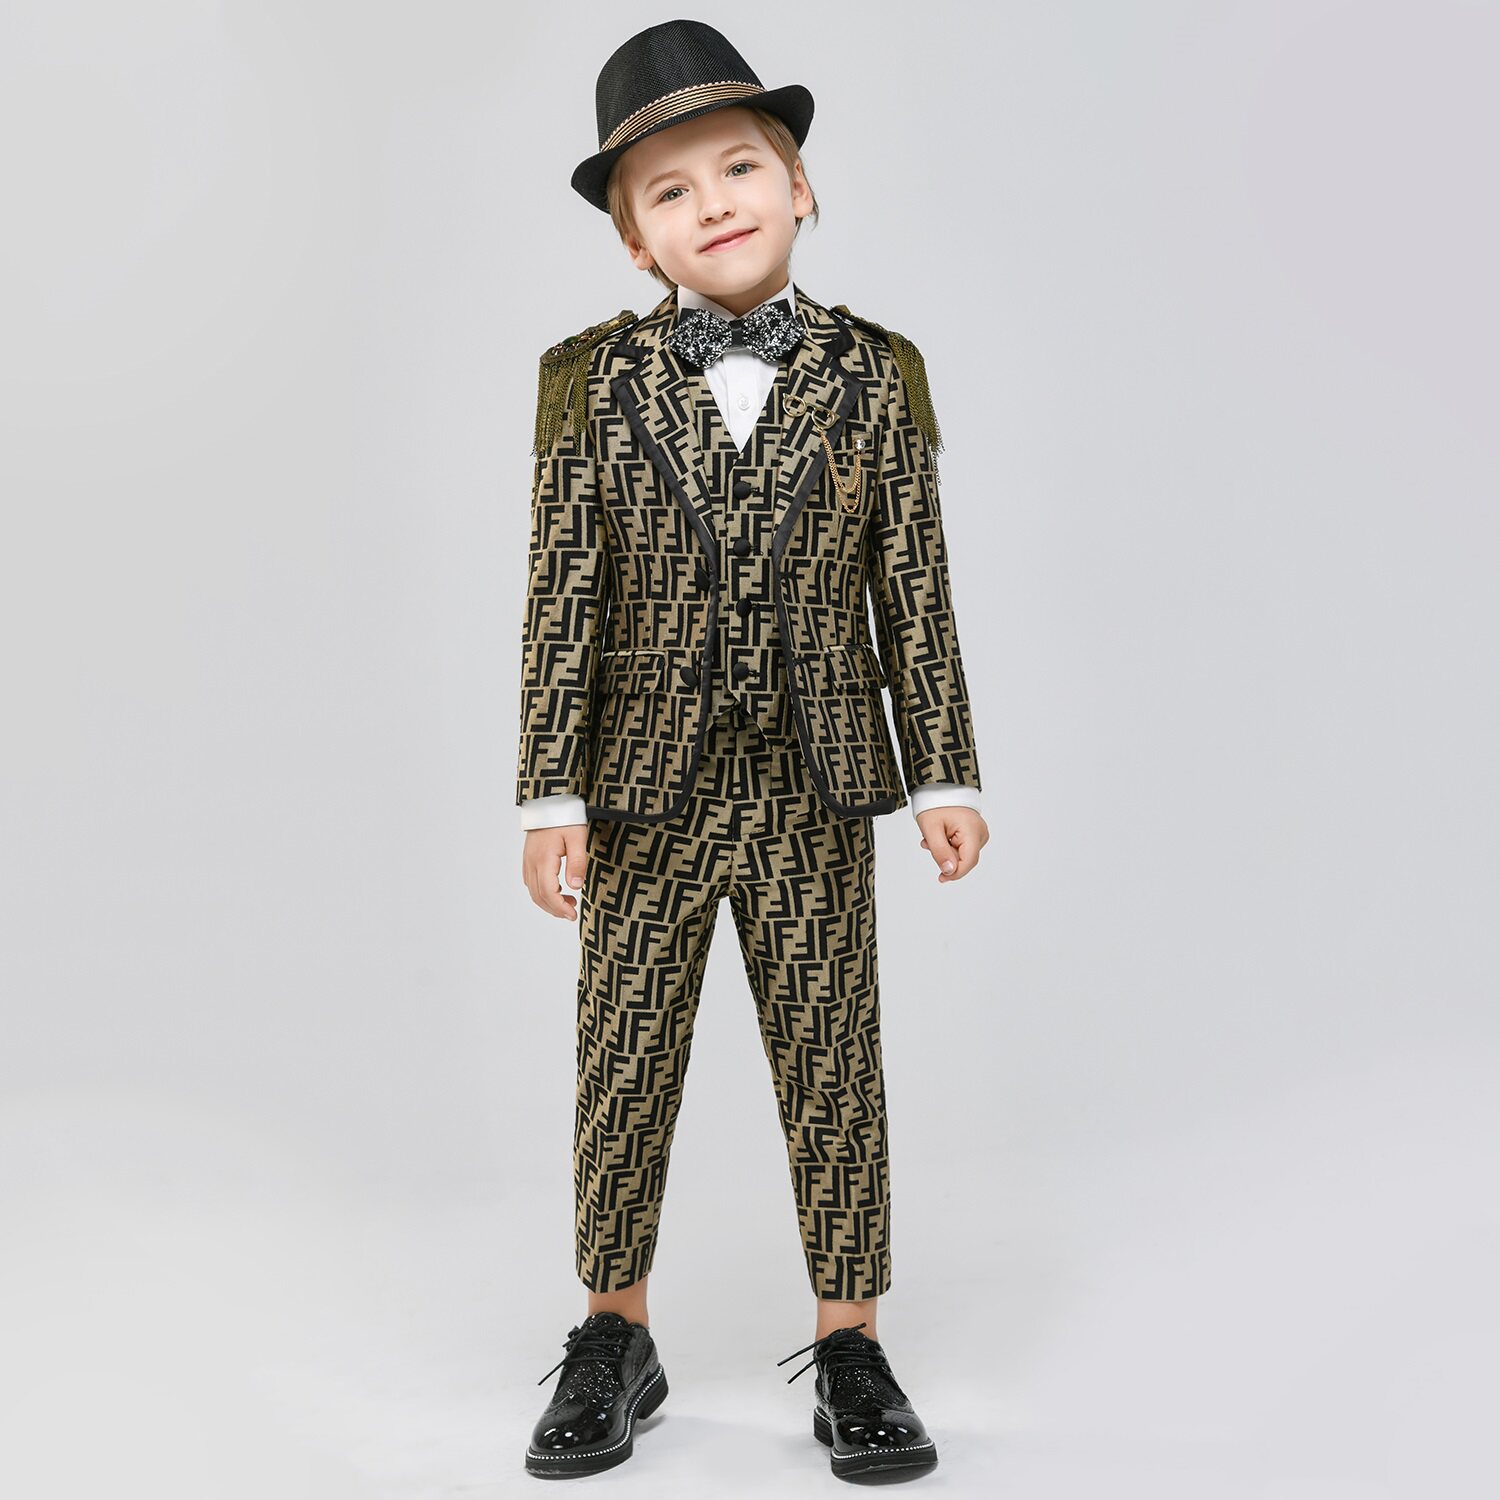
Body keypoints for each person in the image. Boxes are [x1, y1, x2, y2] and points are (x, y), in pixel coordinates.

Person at [517, 19, 987, 1481]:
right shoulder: (589, 383)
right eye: (669, 191)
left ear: (800, 187)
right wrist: (549, 792)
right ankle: (614, 1333)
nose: (712, 202)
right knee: (624, 1057)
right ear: (635, 240)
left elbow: (914, 587)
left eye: (739, 168)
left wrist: (944, 770)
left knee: (833, 1056)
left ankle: (851, 1345)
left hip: (815, 781)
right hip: (641, 789)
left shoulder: (877, 374)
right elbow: (562, 594)